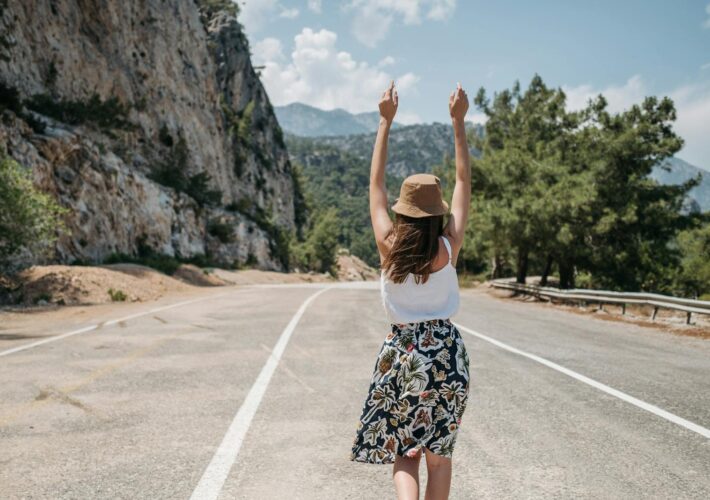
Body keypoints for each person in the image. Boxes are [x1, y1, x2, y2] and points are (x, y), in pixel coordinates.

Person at [349, 80, 472, 500]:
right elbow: (462, 183)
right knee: (440, 456)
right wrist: (459, 123)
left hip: (402, 354)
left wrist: (385, 122)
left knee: (406, 454)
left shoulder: (389, 248)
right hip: (446, 353)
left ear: (403, 213)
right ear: (438, 215)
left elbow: (376, 187)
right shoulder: (447, 246)